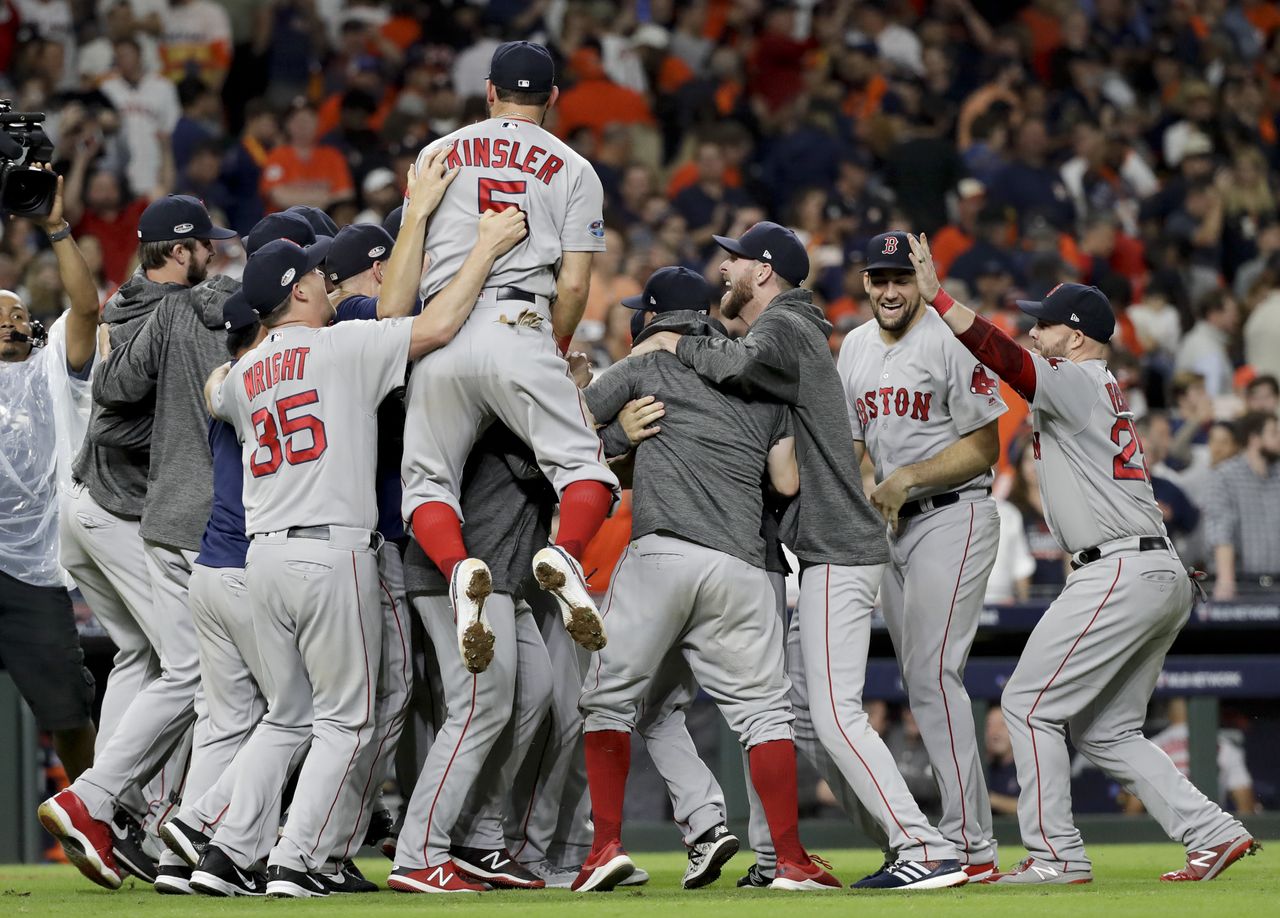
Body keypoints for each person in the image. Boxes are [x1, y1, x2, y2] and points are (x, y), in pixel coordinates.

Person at [190, 204, 526, 898]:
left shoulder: (245, 376)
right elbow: (436, 326)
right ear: (304, 292)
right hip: (330, 550)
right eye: (315, 277)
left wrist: (263, 335)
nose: (325, 284)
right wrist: (488, 247)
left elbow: (213, 388)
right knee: (348, 719)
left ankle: (223, 852)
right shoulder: (341, 348)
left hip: (263, 560)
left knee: (288, 716)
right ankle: (296, 859)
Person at [907, 233, 1259, 885]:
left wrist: (940, 301)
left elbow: (1010, 360)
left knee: (1028, 703)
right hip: (1155, 570)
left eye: (1045, 323)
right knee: (1106, 730)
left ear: (1077, 335)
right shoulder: (1093, 386)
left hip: (1120, 569)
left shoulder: (1076, 379)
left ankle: (1056, 855)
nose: (1034, 331)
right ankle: (1213, 831)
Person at [632, 222, 963, 891]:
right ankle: (860, 849)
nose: (723, 271)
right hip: (828, 545)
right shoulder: (790, 328)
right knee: (802, 719)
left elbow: (734, 364)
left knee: (837, 716)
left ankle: (923, 847)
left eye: (734, 261)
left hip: (841, 545)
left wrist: (674, 341)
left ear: (763, 270)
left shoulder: (786, 324)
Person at [578, 267, 841, 893]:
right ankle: (790, 860)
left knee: (607, 701)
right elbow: (786, 483)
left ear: (655, 316)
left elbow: (568, 428)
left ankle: (605, 846)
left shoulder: (647, 365)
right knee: (763, 715)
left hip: (664, 553)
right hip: (743, 566)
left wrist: (618, 435)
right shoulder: (757, 379)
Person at [400, 41, 620, 673]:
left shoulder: (436, 153)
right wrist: (545, 351)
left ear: (489, 92)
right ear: (553, 98)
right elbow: (575, 286)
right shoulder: (576, 168)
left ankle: (457, 565)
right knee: (583, 470)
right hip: (521, 317)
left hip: (441, 326)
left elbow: (409, 260)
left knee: (427, 485)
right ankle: (566, 552)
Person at [41, 194, 237, 891]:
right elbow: (118, 421)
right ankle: (104, 805)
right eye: (204, 246)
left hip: (90, 508)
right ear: (179, 252)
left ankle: (111, 814)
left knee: (140, 656)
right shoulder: (168, 311)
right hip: (121, 510)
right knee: (190, 667)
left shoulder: (131, 298)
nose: (213, 255)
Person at [837, 230, 1006, 881]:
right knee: (921, 682)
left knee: (935, 674)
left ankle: (969, 843)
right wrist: (864, 495)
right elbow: (855, 447)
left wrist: (908, 476)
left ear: (920, 279)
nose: (888, 290)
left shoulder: (946, 337)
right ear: (864, 282)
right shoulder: (852, 346)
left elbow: (985, 446)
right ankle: (963, 836)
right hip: (890, 529)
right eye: (879, 277)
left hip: (954, 513)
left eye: (900, 278)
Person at [0, 172, 100, 785]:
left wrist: (56, 228)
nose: (10, 324)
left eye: (16, 314)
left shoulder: (51, 374)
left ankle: (98, 818)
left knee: (67, 707)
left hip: (32, 570)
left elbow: (86, 307)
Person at [1205, 412, 1280, 600]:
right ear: (1255, 439)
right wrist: (1226, 582)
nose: (1279, 438)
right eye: (1273, 433)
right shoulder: (1224, 476)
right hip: (1242, 584)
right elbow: (1221, 531)